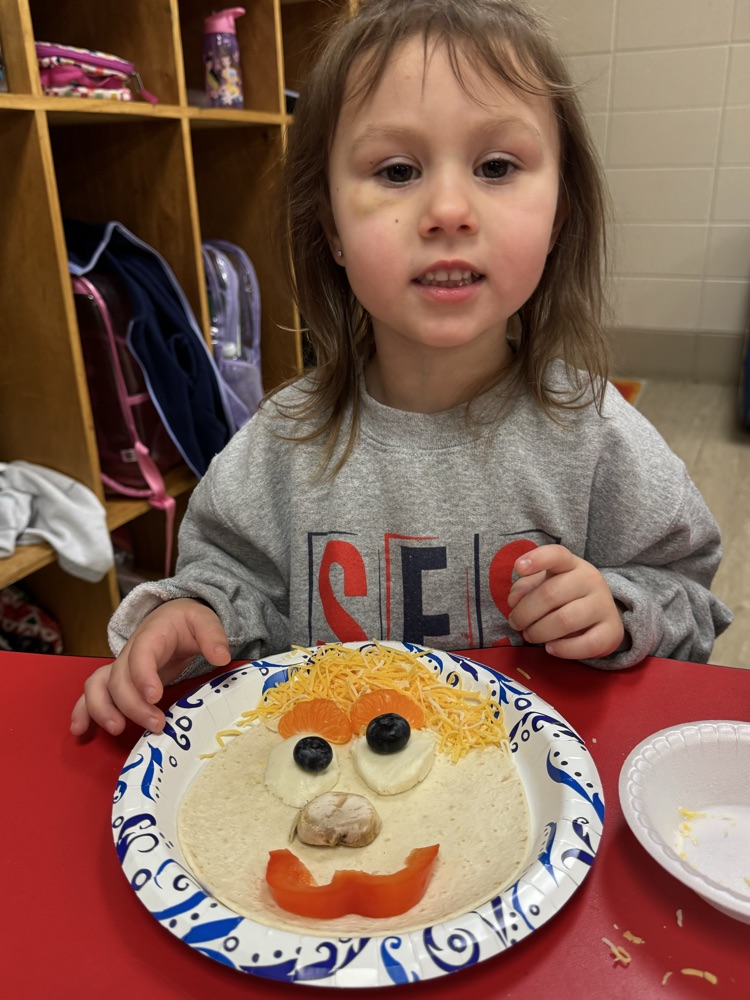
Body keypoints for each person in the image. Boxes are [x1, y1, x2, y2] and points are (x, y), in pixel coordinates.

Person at [71, 0, 732, 737]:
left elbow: (691, 601)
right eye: (396, 170)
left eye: (496, 166)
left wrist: (620, 609)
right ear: (331, 226)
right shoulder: (281, 444)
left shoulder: (596, 433)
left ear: (560, 214)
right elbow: (229, 592)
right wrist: (187, 618)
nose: (448, 209)